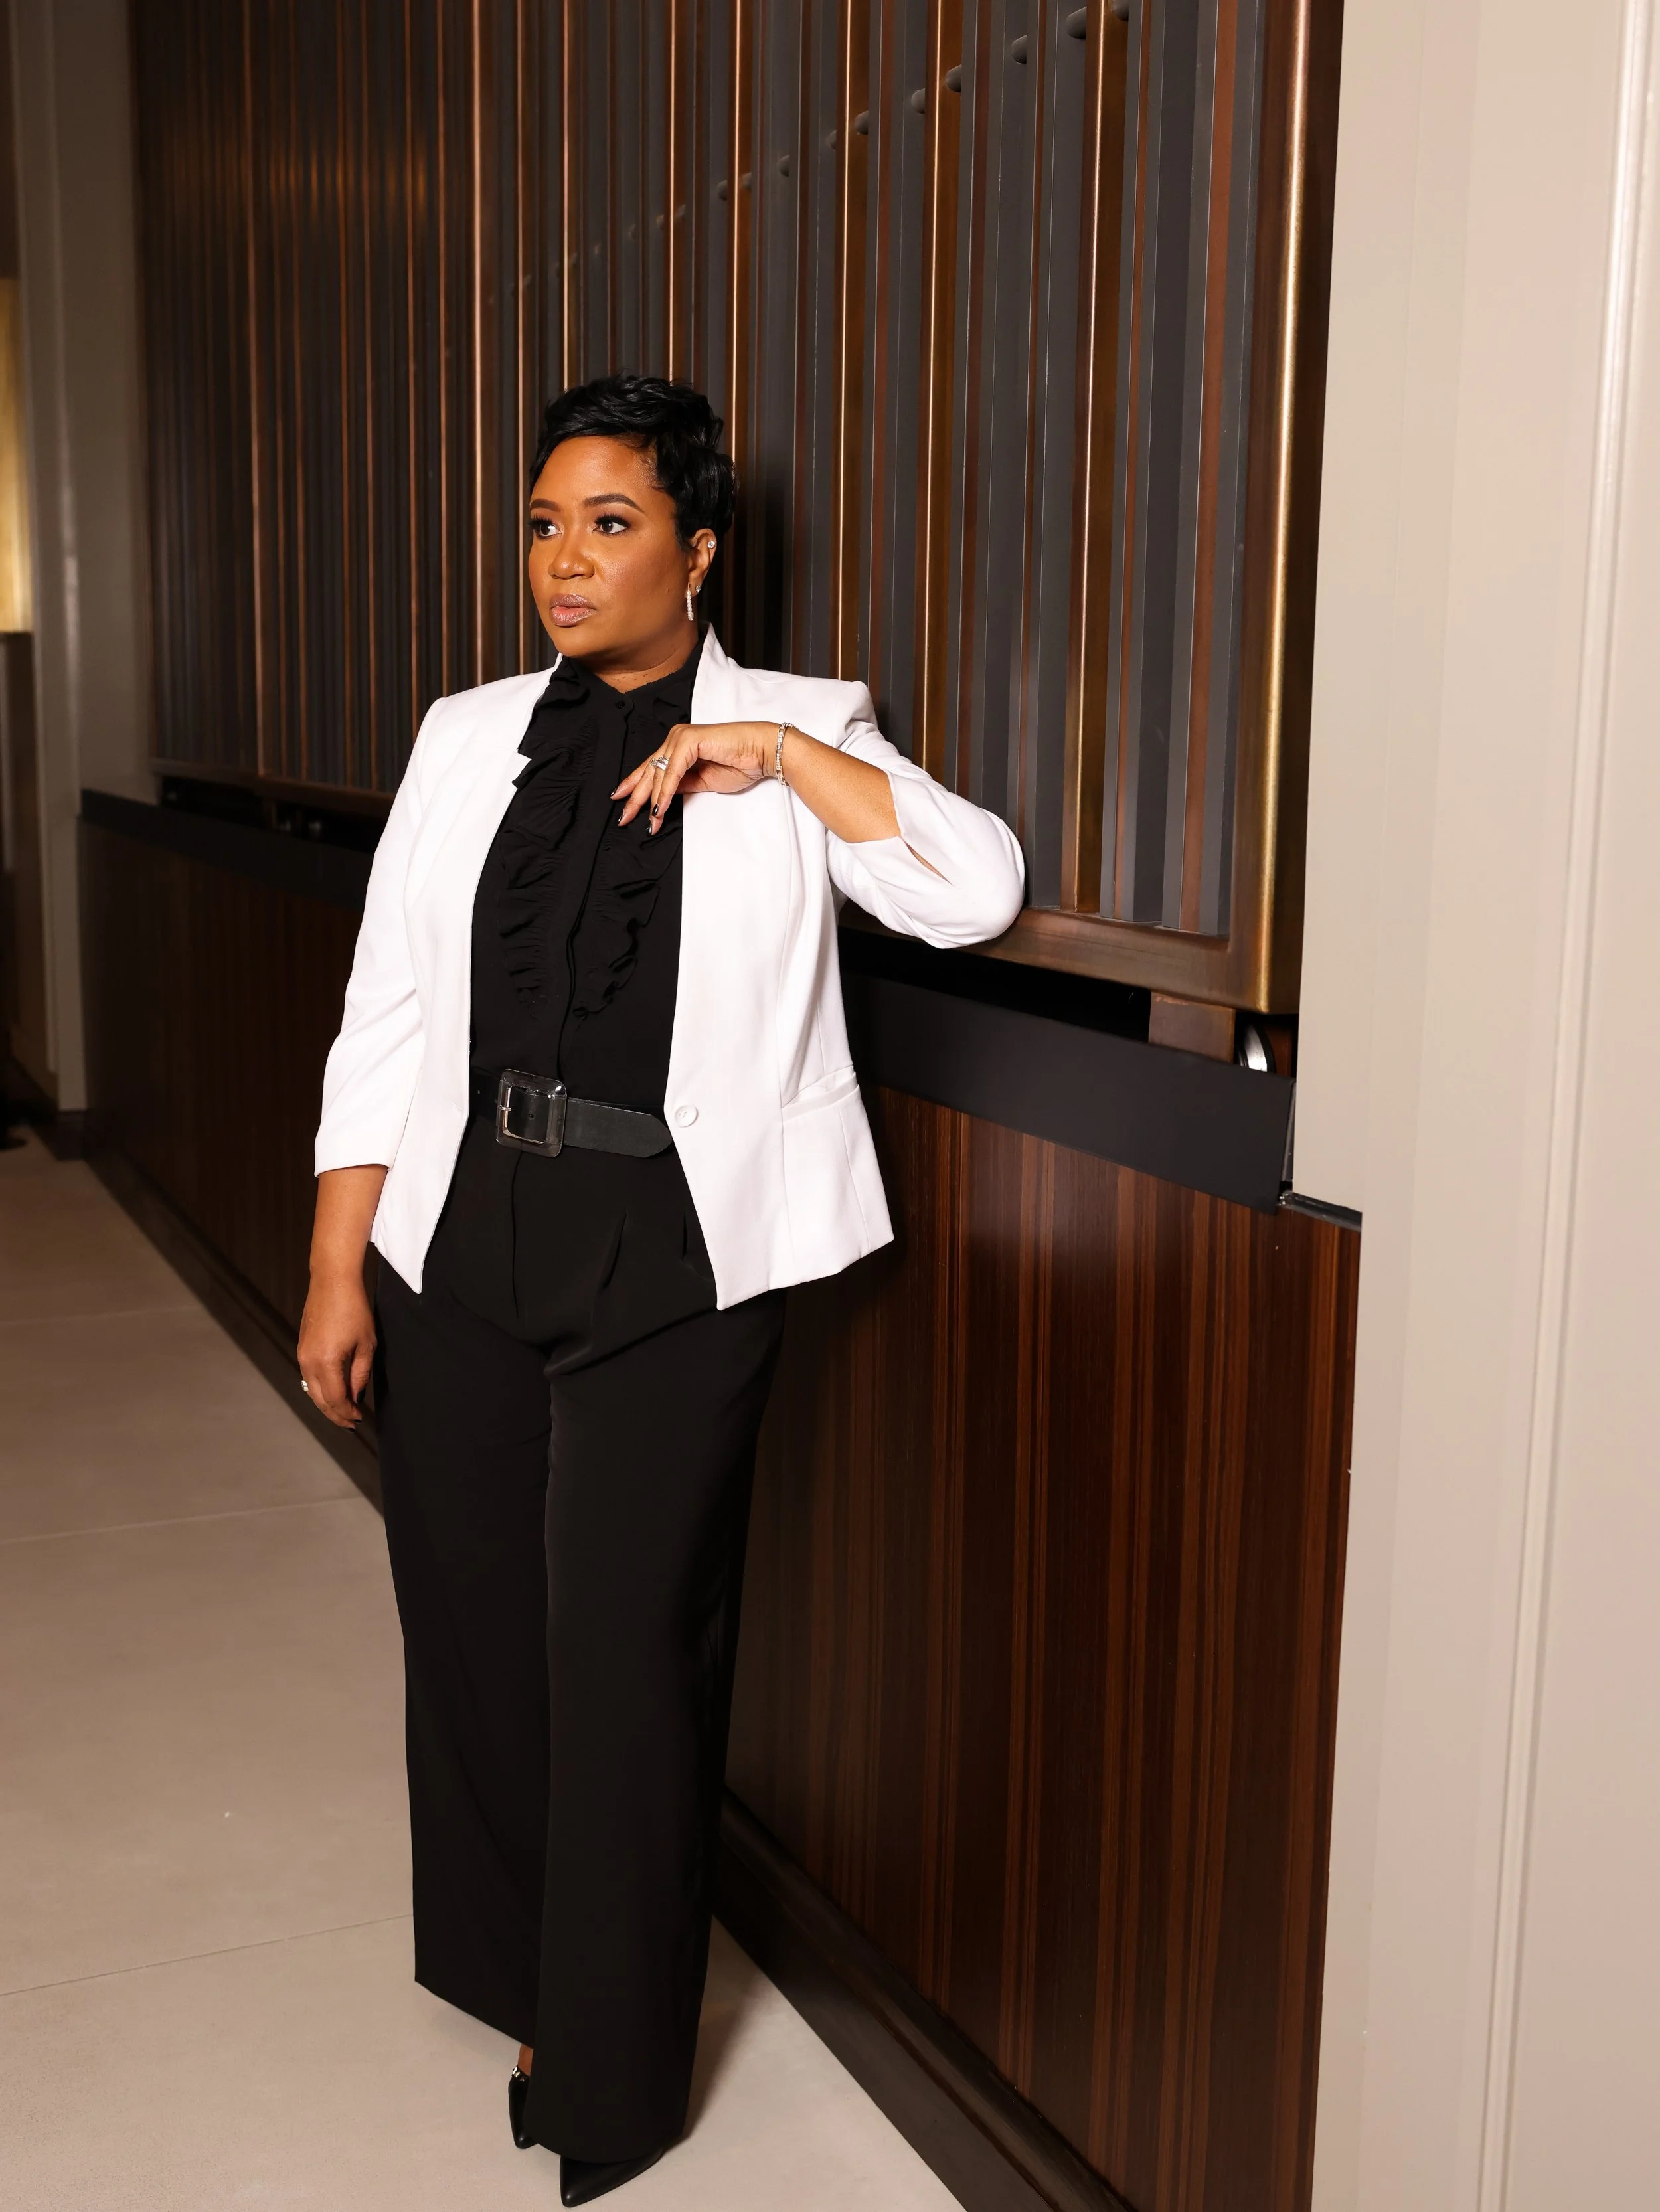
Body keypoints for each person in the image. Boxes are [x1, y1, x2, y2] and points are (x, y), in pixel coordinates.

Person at [298, 374, 1024, 2205]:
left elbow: (973, 892)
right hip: (463, 1228)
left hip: (681, 1248)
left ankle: (605, 2068)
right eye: (544, 520)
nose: (563, 556)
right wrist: (338, 1260)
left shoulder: (801, 721)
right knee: (469, 1617)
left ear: (698, 552)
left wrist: (771, 760)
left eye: (609, 523)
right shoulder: (466, 735)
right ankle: (514, 1969)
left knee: (625, 1648)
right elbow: (388, 1008)